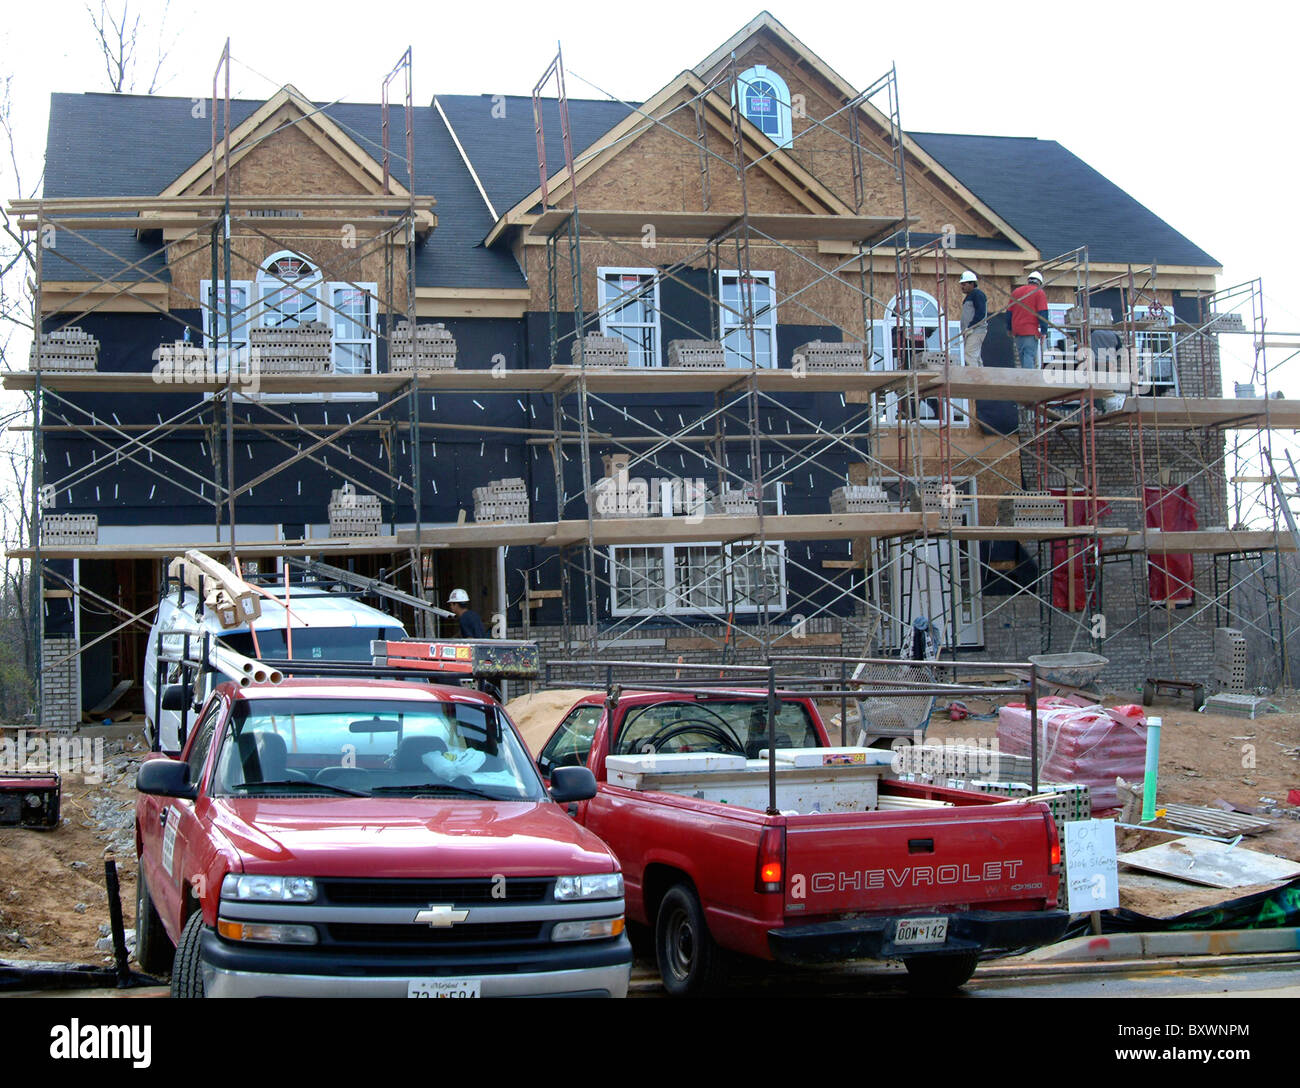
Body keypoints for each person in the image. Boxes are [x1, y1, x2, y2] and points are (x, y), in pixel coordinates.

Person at [1008, 270, 1048, 369]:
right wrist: (1044, 331)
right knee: (1029, 356)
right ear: (1039, 282)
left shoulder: (1016, 292)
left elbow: (1009, 312)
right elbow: (1043, 313)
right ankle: (1028, 382)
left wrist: (1009, 328)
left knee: (1022, 357)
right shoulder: (1039, 292)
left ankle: (1023, 380)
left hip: (1017, 331)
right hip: (1030, 331)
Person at [958, 270, 988, 364]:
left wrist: (971, 326)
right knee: (976, 357)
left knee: (969, 355)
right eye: (961, 284)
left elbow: (981, 313)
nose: (962, 286)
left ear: (972, 284)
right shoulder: (970, 296)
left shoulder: (977, 294)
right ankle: (982, 377)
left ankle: (973, 377)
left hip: (976, 330)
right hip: (971, 331)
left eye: (964, 284)